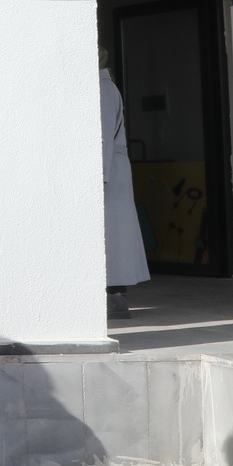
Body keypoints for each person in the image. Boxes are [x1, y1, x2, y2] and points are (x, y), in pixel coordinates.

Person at [100, 52, 149, 320]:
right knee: (111, 235)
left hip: (108, 170)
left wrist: (99, 176)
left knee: (113, 235)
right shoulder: (101, 87)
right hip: (109, 168)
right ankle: (113, 294)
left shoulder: (103, 90)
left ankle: (116, 295)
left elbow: (104, 136)